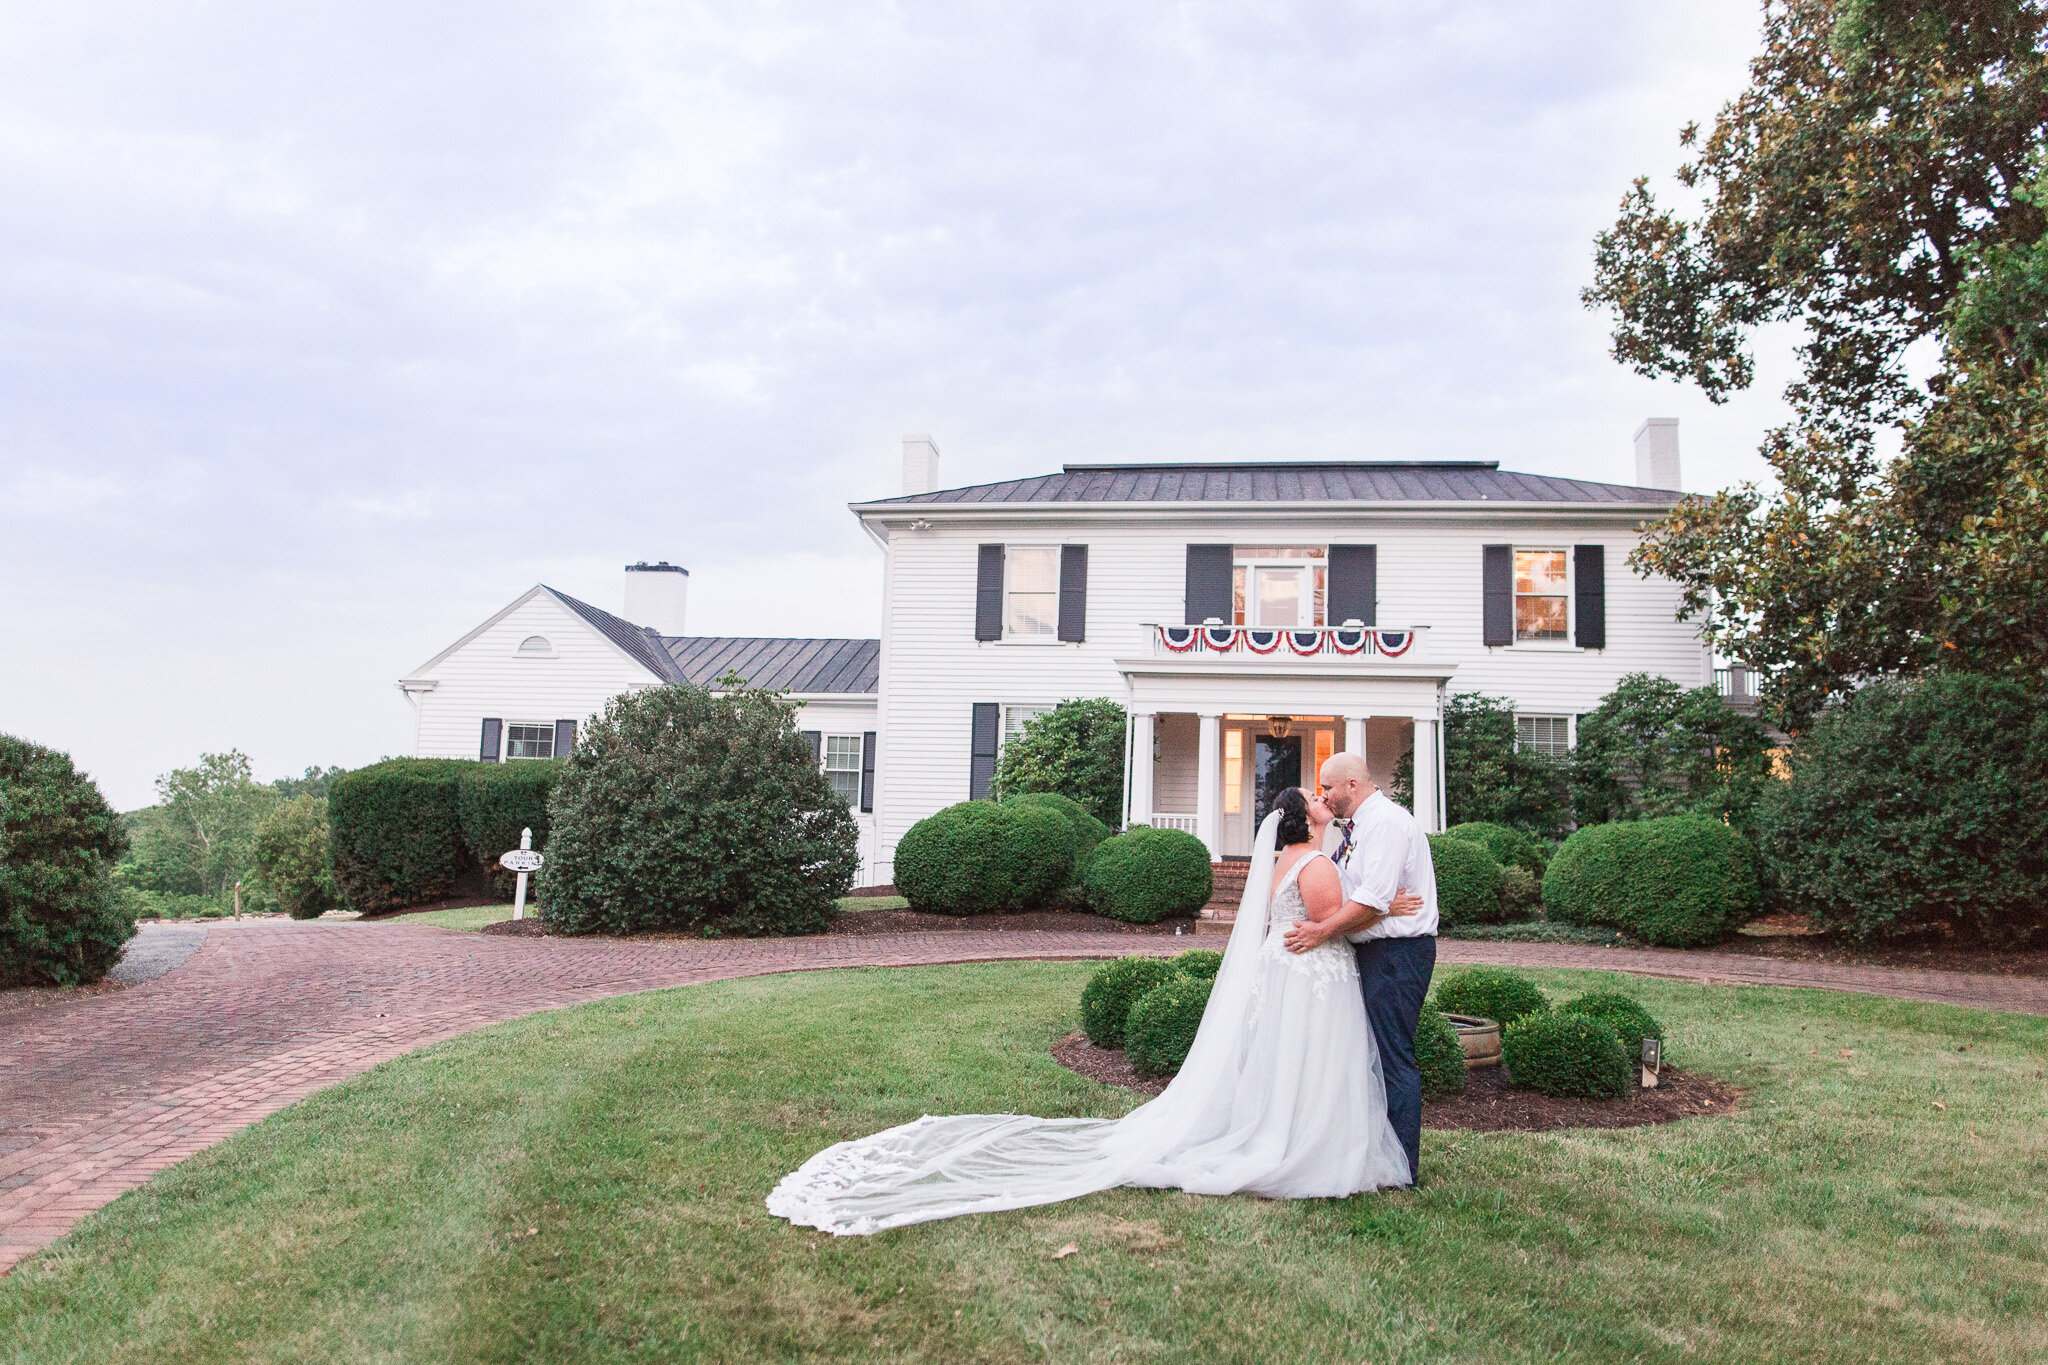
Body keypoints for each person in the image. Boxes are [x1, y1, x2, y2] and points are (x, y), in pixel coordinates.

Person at [765, 787, 1412, 1236]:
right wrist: (1389, 908)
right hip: (1311, 977)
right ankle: (1304, 1143)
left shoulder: (1279, 861)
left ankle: (1286, 1127)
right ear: (1306, 818)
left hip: (1288, 974)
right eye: (1318, 799)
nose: (1326, 802)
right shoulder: (1318, 862)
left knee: (1284, 1063)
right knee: (1312, 1063)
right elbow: (1331, 921)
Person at [1284, 751, 1438, 1186]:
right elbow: (1361, 895)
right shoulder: (1353, 830)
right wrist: (1382, 906)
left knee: (1392, 1057)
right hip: (1374, 949)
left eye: (1328, 787)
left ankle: (1401, 1168)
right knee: (1368, 1057)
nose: (1324, 795)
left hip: (1397, 954)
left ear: (1353, 785)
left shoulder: (1385, 822)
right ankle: (1373, 1155)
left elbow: (1368, 899)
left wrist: (1321, 933)